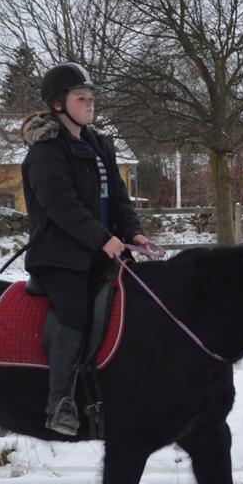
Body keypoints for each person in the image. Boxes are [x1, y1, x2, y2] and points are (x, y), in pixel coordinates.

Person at [21, 62, 148, 436]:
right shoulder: (45, 152)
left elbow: (118, 199)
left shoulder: (98, 144)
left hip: (105, 250)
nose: (90, 104)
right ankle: (59, 403)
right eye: (82, 98)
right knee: (75, 314)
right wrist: (101, 238)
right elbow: (62, 207)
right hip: (61, 257)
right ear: (59, 105)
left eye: (91, 98)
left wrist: (134, 233)